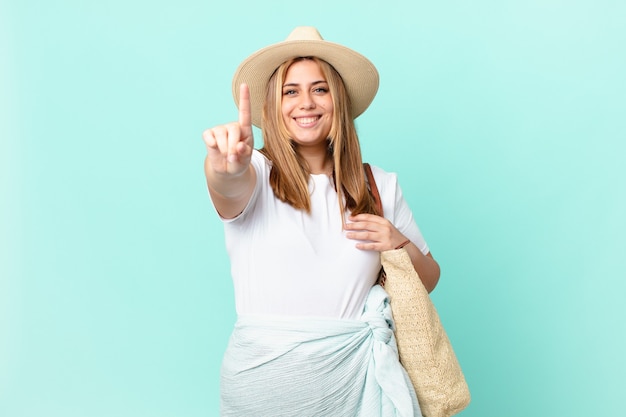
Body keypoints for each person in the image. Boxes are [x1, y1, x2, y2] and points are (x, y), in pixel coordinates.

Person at [202, 26, 440, 417]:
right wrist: (225, 168)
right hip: (263, 389)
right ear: (272, 106)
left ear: (338, 100)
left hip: (356, 384)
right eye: (290, 91)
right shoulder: (255, 172)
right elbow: (227, 188)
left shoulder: (378, 185)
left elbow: (427, 280)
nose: (306, 103)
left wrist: (398, 243)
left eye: (320, 89)